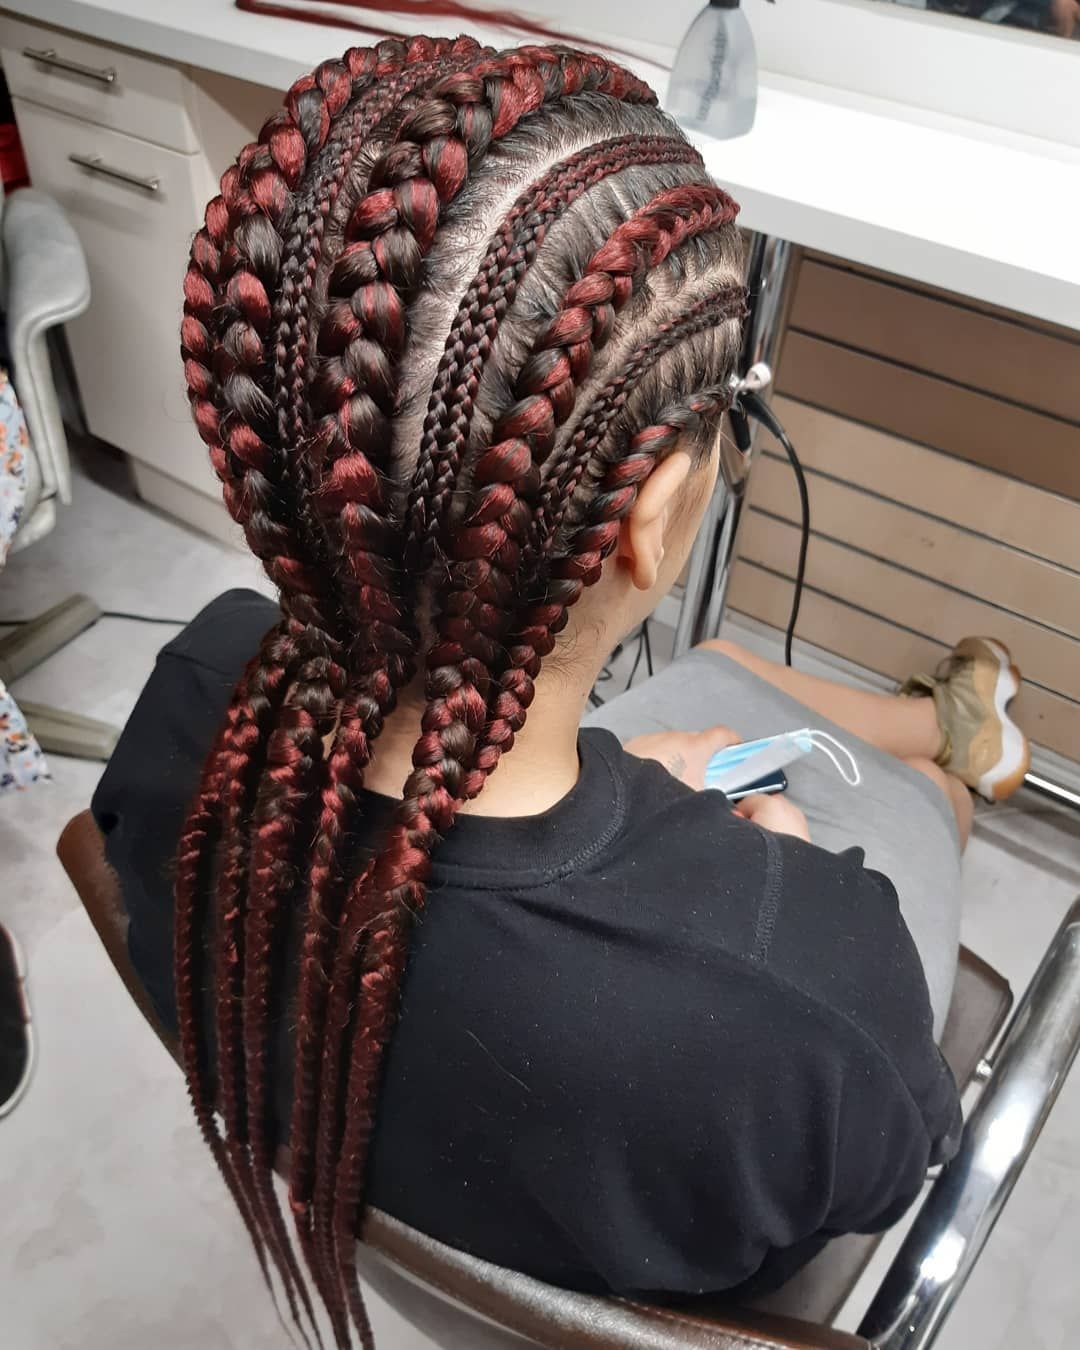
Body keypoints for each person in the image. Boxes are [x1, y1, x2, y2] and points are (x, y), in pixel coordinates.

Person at [89, 37, 1029, 1350]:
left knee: (726, 690)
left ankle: (940, 716)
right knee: (914, 801)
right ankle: (949, 756)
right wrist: (768, 890)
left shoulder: (188, 702)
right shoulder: (808, 990)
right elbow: (890, 1169)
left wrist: (667, 826)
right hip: (758, 1023)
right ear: (654, 515)